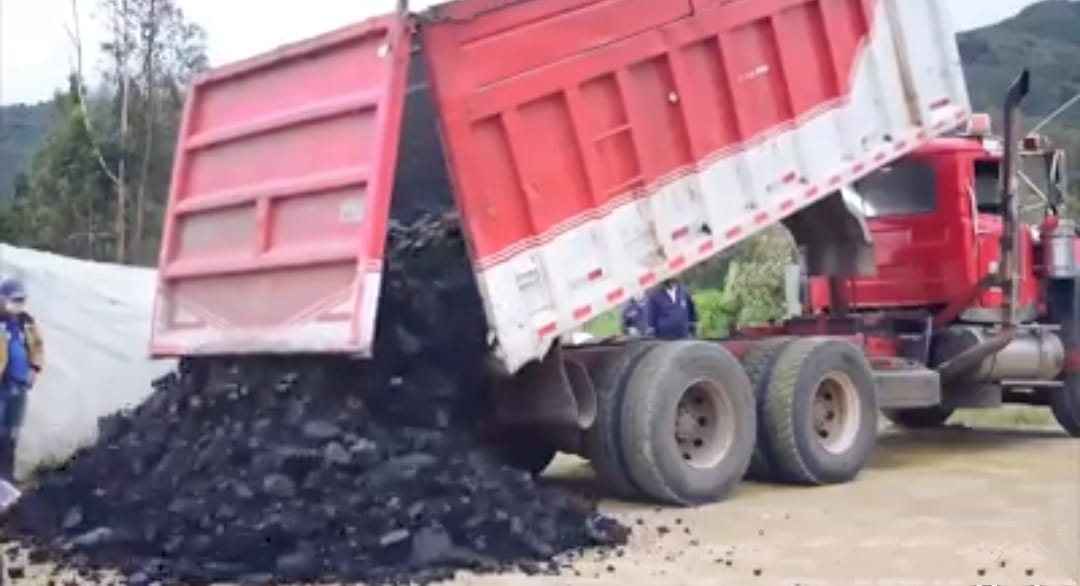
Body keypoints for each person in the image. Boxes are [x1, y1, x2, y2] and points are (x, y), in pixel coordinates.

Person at [0, 277, 43, 505]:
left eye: (21, 300)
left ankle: (7, 478)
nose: (18, 304)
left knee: (12, 432)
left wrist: (35, 368)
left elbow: (37, 346)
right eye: (14, 300)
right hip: (2, 386)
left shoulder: (26, 322)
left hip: (19, 384)